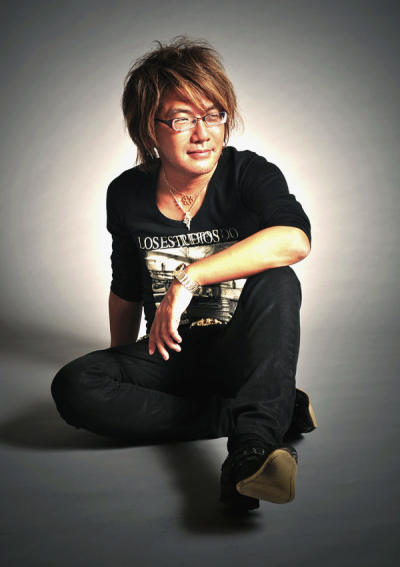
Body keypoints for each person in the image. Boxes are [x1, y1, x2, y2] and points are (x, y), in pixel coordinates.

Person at [51, 37, 317, 511]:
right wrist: (123, 369)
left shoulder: (248, 173)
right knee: (74, 385)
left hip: (240, 351)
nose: (202, 134)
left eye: (213, 115)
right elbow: (126, 287)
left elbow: (294, 240)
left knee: (279, 279)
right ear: (148, 129)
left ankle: (251, 448)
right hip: (170, 353)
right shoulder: (126, 193)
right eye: (181, 119)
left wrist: (187, 279)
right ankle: (259, 412)